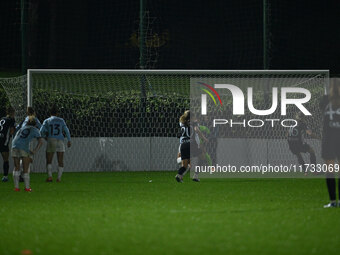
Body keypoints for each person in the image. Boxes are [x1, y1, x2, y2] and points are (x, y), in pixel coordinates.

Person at [321, 80, 340, 208]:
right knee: (330, 170)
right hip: (329, 139)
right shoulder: (324, 100)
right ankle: (333, 201)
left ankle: (335, 201)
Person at [40, 105, 71, 182]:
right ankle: (59, 178)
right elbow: (66, 130)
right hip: (60, 140)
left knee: (49, 160)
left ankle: (50, 177)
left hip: (51, 139)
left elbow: (41, 131)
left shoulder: (47, 120)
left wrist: (44, 137)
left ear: (50, 113)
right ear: (57, 113)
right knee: (60, 160)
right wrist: (69, 140)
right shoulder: (61, 120)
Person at [12, 117, 43, 191]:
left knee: (16, 167)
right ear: (35, 124)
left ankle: (16, 188)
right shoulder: (35, 130)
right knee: (25, 168)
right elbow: (41, 141)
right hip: (23, 148)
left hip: (14, 146)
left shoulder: (22, 128)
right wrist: (34, 151)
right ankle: (27, 187)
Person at [175, 110, 207, 183]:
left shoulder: (181, 123)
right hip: (191, 143)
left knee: (184, 166)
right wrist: (204, 138)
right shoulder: (194, 123)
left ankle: (179, 175)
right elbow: (196, 130)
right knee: (202, 158)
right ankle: (195, 175)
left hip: (183, 144)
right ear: (192, 117)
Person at [0, 107, 16, 182]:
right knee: (5, 159)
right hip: (3, 141)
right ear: (12, 113)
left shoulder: (2, 119)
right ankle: (5, 177)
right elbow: (12, 131)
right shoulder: (11, 120)